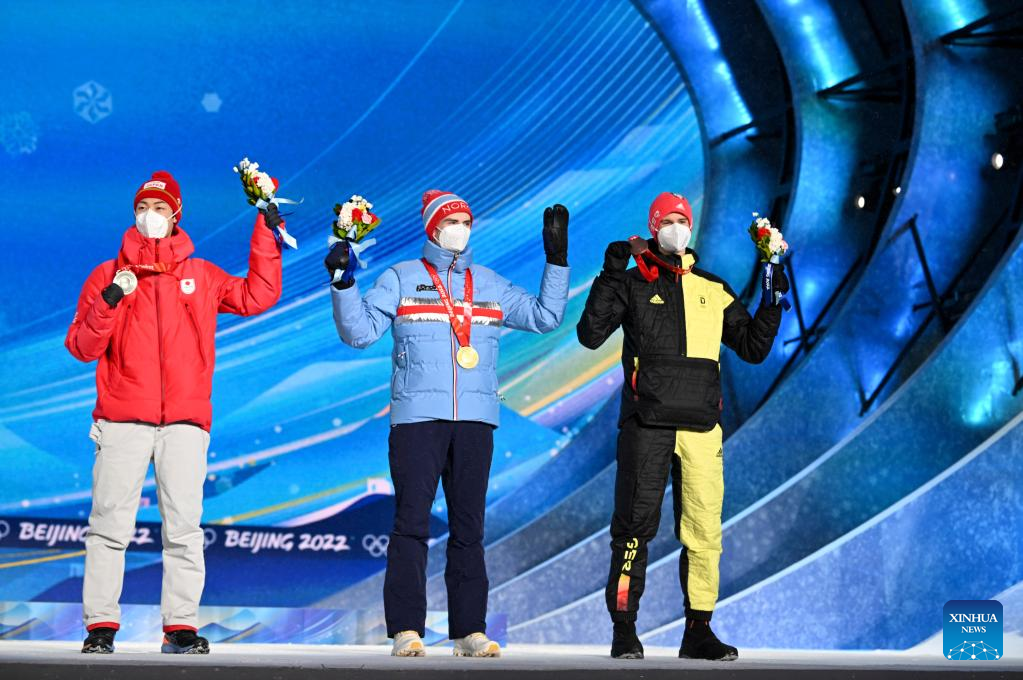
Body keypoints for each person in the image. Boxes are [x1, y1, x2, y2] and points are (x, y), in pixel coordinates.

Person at [327, 190, 569, 657]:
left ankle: (469, 631)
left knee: (469, 528)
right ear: (433, 228)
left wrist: (556, 262)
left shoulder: (490, 283)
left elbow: (545, 316)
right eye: (452, 221)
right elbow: (358, 333)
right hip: (417, 419)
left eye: (466, 222)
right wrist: (344, 283)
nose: (460, 229)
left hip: (476, 419)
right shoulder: (401, 278)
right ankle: (405, 629)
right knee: (411, 524)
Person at [65, 170, 284, 654]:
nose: (151, 216)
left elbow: (257, 295)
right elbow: (81, 347)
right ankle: (100, 626)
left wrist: (266, 233)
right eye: (143, 208)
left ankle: (180, 627)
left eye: (160, 209)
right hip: (121, 419)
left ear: (176, 215)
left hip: (184, 422)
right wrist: (110, 302)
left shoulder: (201, 275)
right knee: (108, 527)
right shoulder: (106, 275)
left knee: (184, 529)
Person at [576, 192, 788, 662]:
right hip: (646, 424)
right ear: (654, 227)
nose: (678, 227)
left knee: (704, 532)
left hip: (701, 427)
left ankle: (699, 630)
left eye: (683, 219)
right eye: (668, 220)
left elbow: (753, 348)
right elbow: (590, 335)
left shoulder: (713, 287)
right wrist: (610, 274)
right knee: (634, 529)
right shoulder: (632, 283)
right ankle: (625, 629)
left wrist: (772, 297)